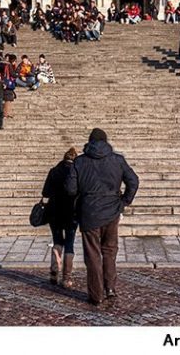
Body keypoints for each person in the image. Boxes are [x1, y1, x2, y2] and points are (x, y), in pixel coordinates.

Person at [65, 128, 139, 306]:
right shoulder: (118, 160)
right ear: (106, 142)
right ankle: (110, 289)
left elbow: (70, 189)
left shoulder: (80, 161)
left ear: (90, 142)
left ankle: (96, 295)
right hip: (112, 211)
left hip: (90, 212)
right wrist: (123, 202)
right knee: (110, 251)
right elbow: (133, 181)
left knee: (93, 255)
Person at [42, 147, 78, 288]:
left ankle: (54, 272)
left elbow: (45, 192)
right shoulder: (75, 172)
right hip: (71, 213)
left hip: (54, 212)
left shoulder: (54, 171)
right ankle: (67, 278)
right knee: (69, 243)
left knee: (57, 241)